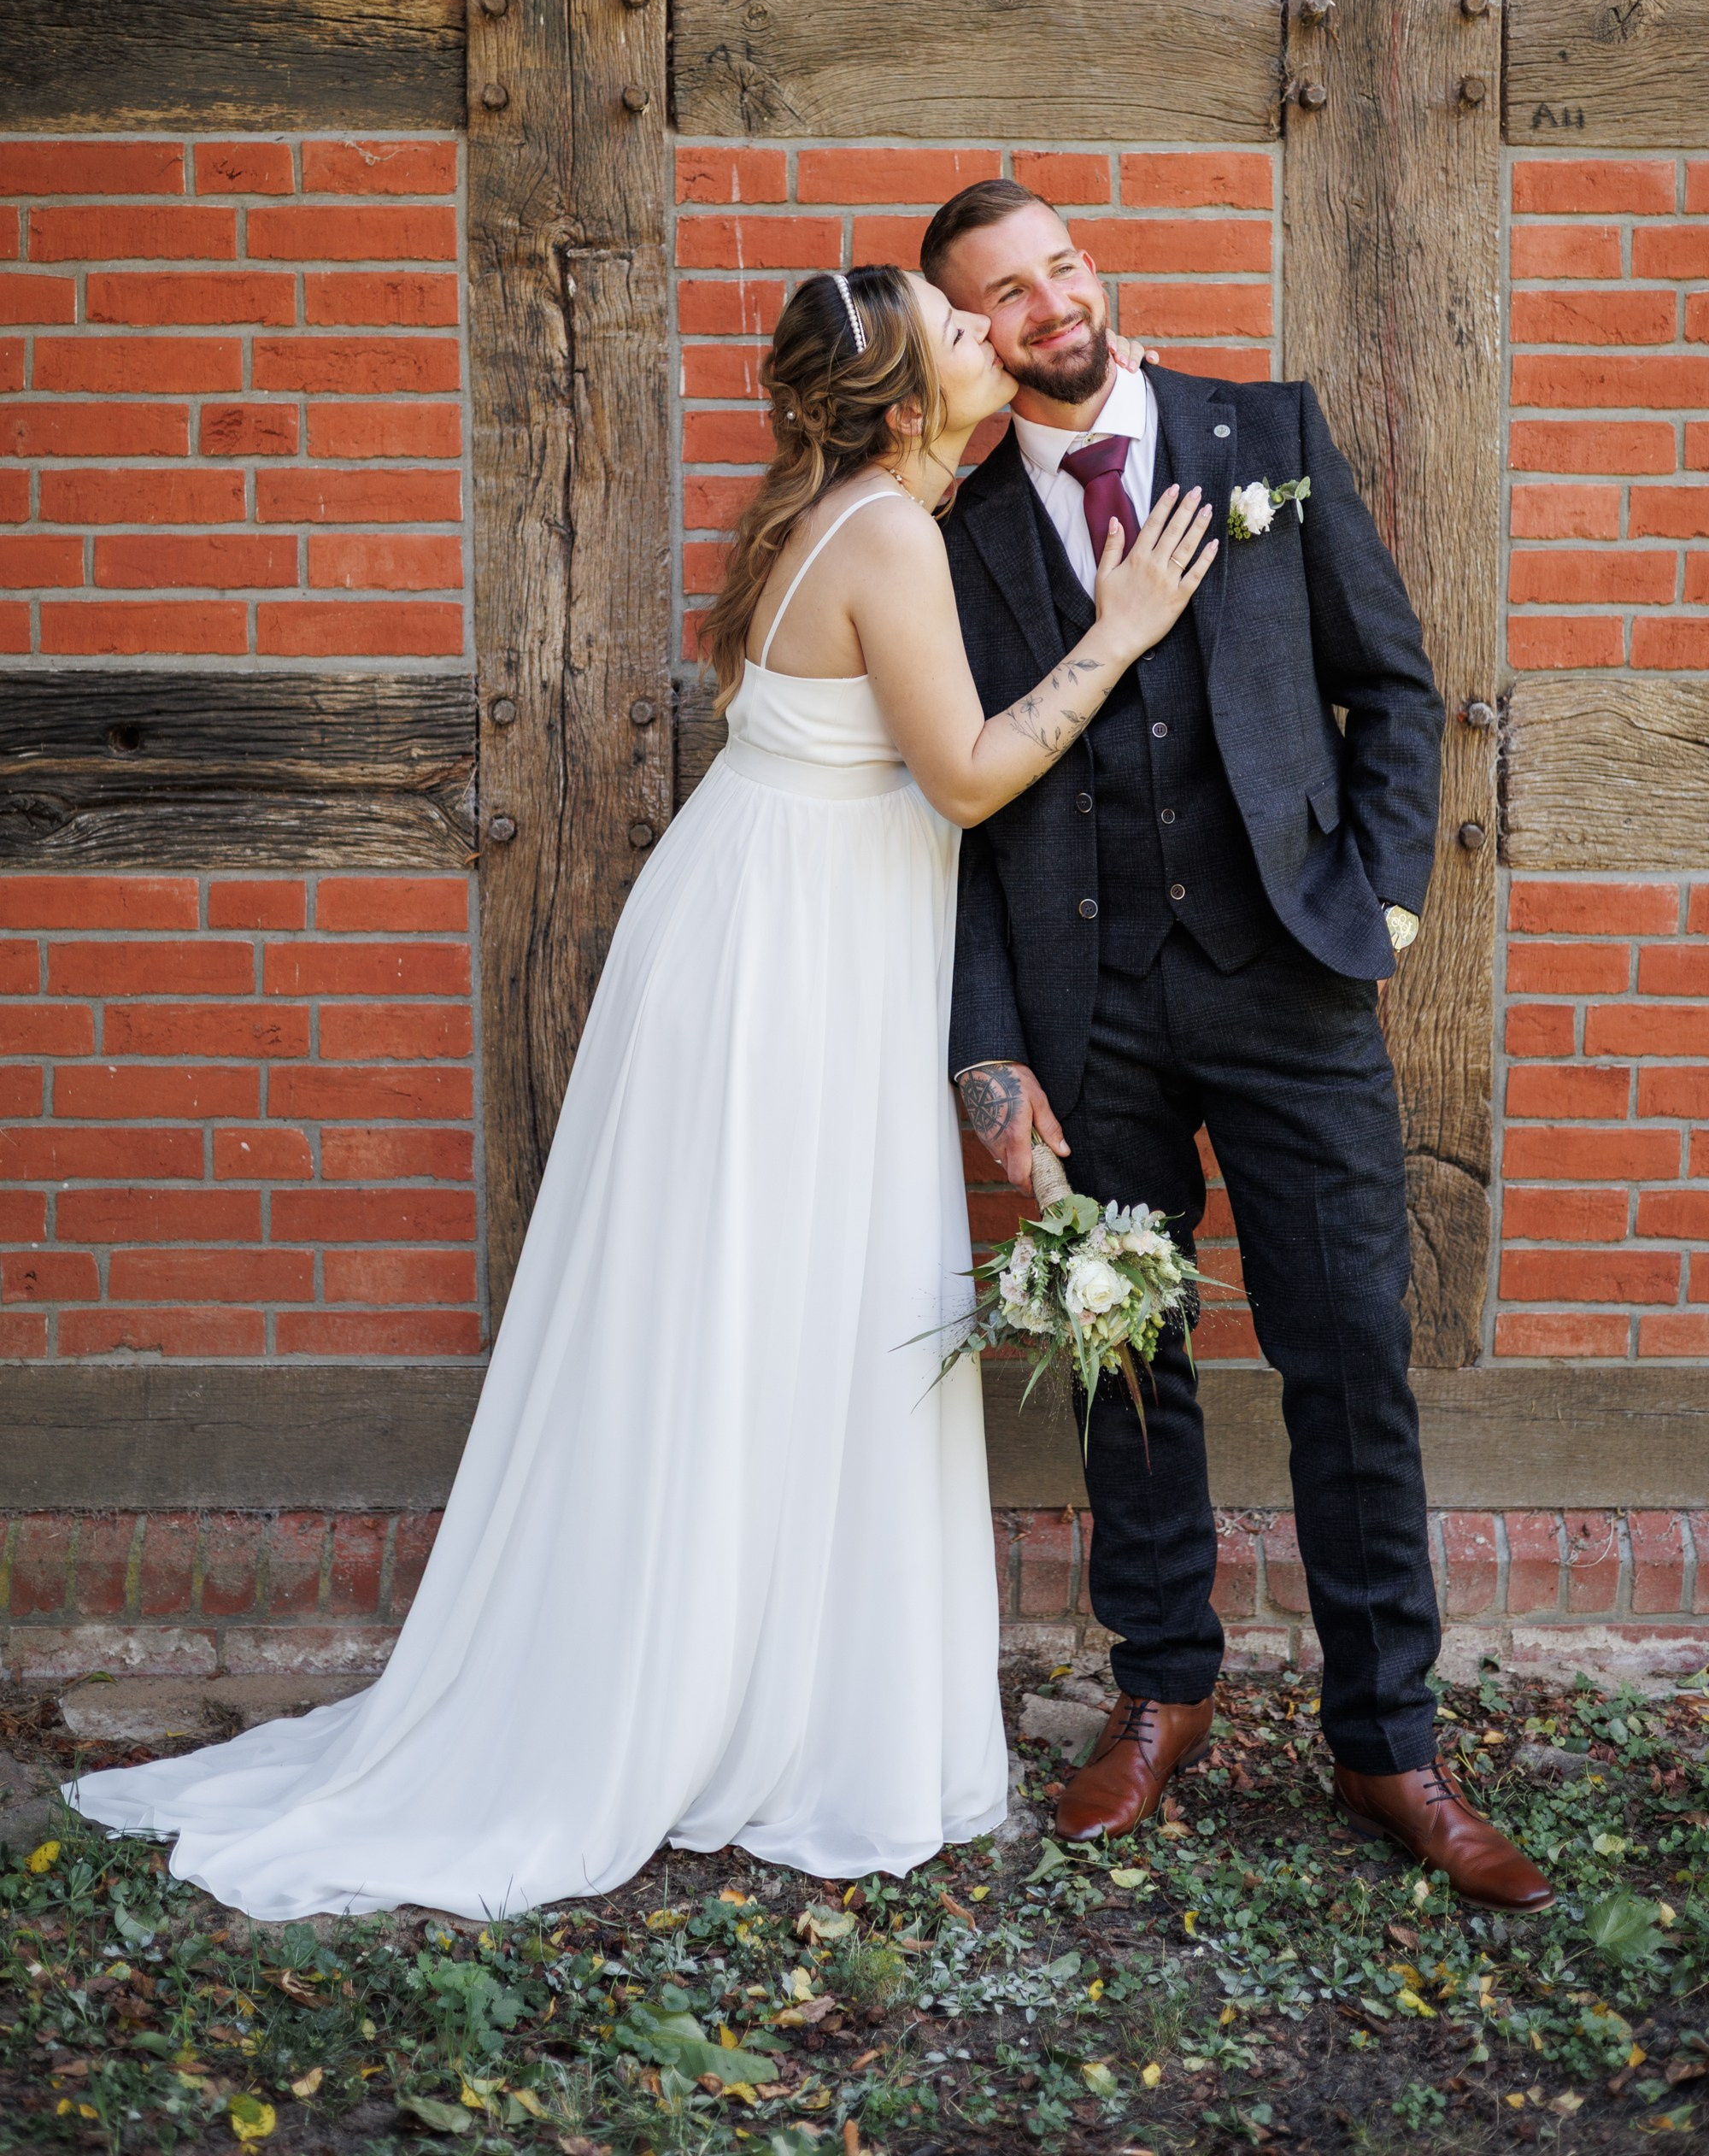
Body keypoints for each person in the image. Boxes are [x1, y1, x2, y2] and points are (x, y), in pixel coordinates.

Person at [64, 264, 1215, 1922]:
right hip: (782, 970)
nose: (987, 330)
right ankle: (727, 1698)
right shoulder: (888, 532)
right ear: (907, 401)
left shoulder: (846, 506)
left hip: (772, 937)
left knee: (763, 1315)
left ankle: (745, 1676)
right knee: (777, 1309)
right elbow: (963, 774)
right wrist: (1116, 631)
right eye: (958, 328)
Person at [925, 180, 1553, 1914]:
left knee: (1349, 1346)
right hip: (1088, 1002)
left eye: (1060, 266)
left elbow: (1396, 687)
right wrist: (989, 1053)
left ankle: (1388, 1739)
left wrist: (1384, 909)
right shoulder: (963, 526)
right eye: (1005, 294)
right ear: (971, 336)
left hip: (1291, 980)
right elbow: (957, 819)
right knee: (1128, 1362)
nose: (1052, 303)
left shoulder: (1258, 433)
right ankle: (1164, 1688)